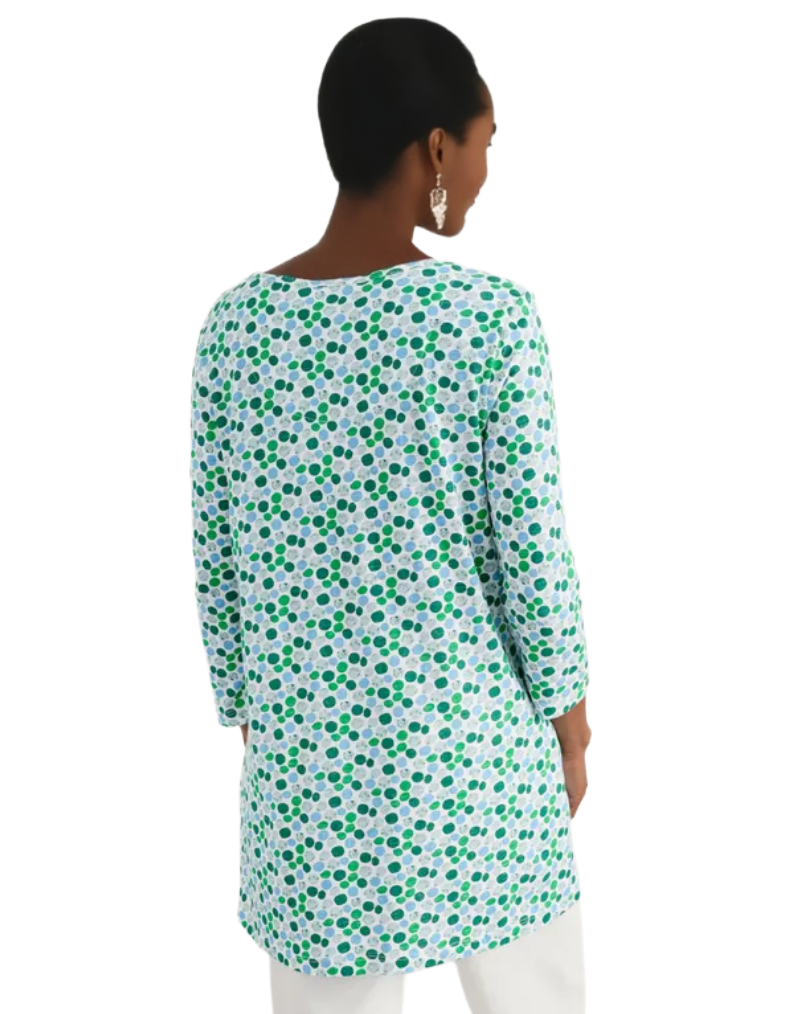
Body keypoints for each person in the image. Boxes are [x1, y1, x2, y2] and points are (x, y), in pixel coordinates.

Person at [190, 16, 592, 1014]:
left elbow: (219, 555)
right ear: (436, 150)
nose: (486, 171)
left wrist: (254, 714)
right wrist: (571, 722)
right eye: (487, 141)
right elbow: (532, 554)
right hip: (475, 764)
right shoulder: (488, 320)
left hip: (309, 777)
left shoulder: (234, 330)